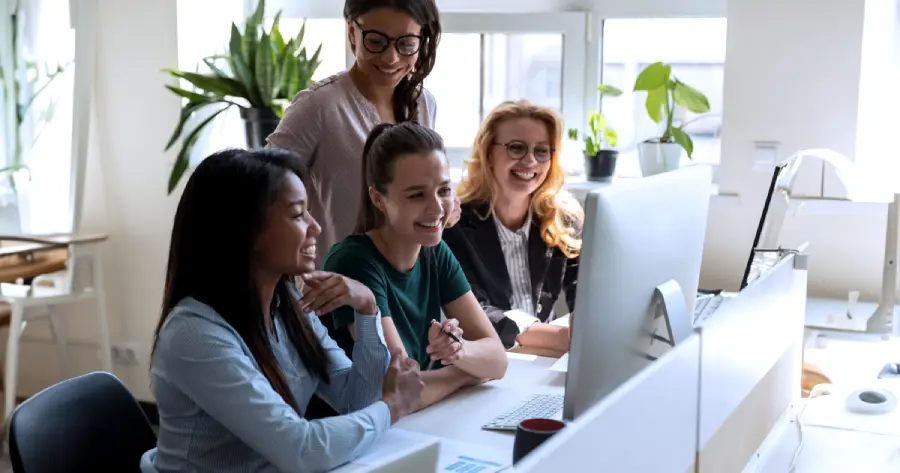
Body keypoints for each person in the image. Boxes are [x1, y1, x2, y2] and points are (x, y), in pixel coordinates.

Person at [140, 148, 424, 473]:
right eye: (298, 214)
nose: (315, 227)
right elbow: (301, 449)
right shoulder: (194, 335)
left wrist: (367, 307)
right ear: (247, 232)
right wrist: (393, 406)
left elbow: (354, 400)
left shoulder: (287, 306)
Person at [321, 122, 508, 409]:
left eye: (444, 190)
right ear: (378, 199)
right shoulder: (354, 262)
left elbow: (497, 360)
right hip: (362, 437)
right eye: (417, 195)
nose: (437, 208)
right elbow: (399, 390)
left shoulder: (435, 252)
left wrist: (458, 350)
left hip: (419, 423)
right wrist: (466, 373)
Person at [266, 0, 444, 267]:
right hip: (336, 286)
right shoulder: (319, 107)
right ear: (352, 32)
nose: (391, 57)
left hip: (407, 283)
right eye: (376, 41)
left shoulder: (424, 103)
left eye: (406, 44)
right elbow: (262, 190)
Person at [443, 100, 583, 353]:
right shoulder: (455, 226)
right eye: (516, 148)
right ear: (488, 153)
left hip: (540, 357)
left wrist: (589, 320)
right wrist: (557, 337)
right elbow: (472, 311)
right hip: (485, 360)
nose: (530, 161)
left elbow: (586, 289)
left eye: (542, 151)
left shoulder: (562, 220)